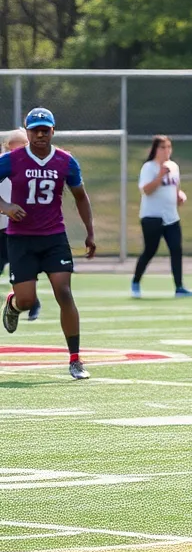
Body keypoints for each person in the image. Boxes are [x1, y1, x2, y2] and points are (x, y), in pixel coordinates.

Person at [0, 109, 96, 380]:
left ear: (53, 131)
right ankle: (14, 305)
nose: (40, 135)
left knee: (64, 292)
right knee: (27, 300)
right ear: (27, 132)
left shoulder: (66, 161)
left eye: (45, 130)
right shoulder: (12, 160)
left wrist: (90, 232)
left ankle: (75, 359)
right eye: (35, 130)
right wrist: (5, 206)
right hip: (21, 239)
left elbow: (80, 196)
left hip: (54, 237)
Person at [130, 135, 192, 299]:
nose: (166, 151)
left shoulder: (174, 166)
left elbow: (175, 187)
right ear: (155, 150)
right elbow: (146, 190)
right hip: (152, 217)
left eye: (169, 147)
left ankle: (179, 287)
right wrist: (159, 175)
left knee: (176, 249)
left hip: (171, 217)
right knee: (150, 250)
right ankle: (136, 282)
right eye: (163, 147)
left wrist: (179, 196)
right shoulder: (149, 167)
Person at [0, 130, 36, 321]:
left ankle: (32, 303)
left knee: (22, 271)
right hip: (2, 229)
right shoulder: (3, 164)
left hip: (21, 230)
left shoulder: (33, 168)